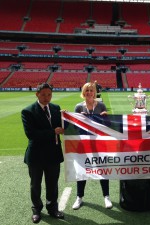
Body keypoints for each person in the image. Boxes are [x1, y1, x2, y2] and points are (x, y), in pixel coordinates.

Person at [21, 83, 65, 223]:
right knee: (35, 184)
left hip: (53, 153)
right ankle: (36, 210)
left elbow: (62, 126)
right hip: (36, 155)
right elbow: (31, 134)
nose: (47, 98)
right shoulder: (27, 111)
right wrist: (53, 132)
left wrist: (67, 118)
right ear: (37, 94)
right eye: (43, 94)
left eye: (49, 95)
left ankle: (53, 208)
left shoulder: (56, 108)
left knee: (52, 183)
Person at [72, 82, 113, 210]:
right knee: (82, 170)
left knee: (102, 168)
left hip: (99, 143)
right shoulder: (79, 107)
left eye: (91, 90)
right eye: (87, 90)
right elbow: (73, 127)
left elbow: (107, 126)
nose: (89, 92)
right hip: (84, 144)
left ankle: (106, 196)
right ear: (83, 92)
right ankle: (79, 197)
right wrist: (78, 118)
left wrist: (105, 118)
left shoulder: (101, 105)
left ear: (95, 92)